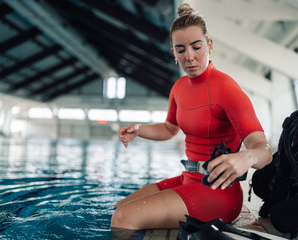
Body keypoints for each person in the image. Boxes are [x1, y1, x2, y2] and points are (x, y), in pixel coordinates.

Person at [111, 3, 272, 230]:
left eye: (196, 47)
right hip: (189, 179)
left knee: (123, 219)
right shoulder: (178, 88)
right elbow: (169, 129)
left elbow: (264, 151)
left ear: (209, 45)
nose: (190, 57)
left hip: (218, 190)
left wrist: (245, 158)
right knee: (119, 209)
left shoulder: (227, 89)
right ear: (174, 53)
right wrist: (140, 129)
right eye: (181, 49)